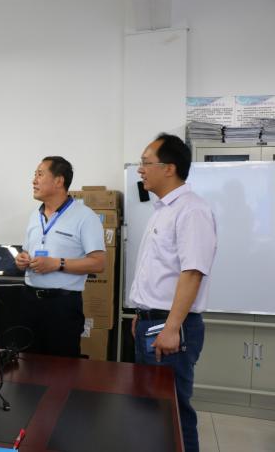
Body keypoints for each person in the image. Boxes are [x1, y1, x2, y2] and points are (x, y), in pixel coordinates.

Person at [129, 133, 216, 452]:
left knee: (174, 412)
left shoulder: (191, 210)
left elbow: (192, 273)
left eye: (145, 162)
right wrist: (142, 313)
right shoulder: (162, 210)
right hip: (153, 322)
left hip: (170, 327)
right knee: (151, 408)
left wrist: (171, 327)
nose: (140, 169)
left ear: (169, 168)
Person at [15, 156, 106, 357]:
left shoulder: (85, 216)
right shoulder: (34, 215)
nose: (34, 180)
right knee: (28, 364)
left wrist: (57, 264)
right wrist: (22, 259)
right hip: (29, 301)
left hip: (62, 307)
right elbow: (27, 251)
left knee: (61, 368)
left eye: (40, 174)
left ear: (59, 181)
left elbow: (98, 263)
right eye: (34, 175)